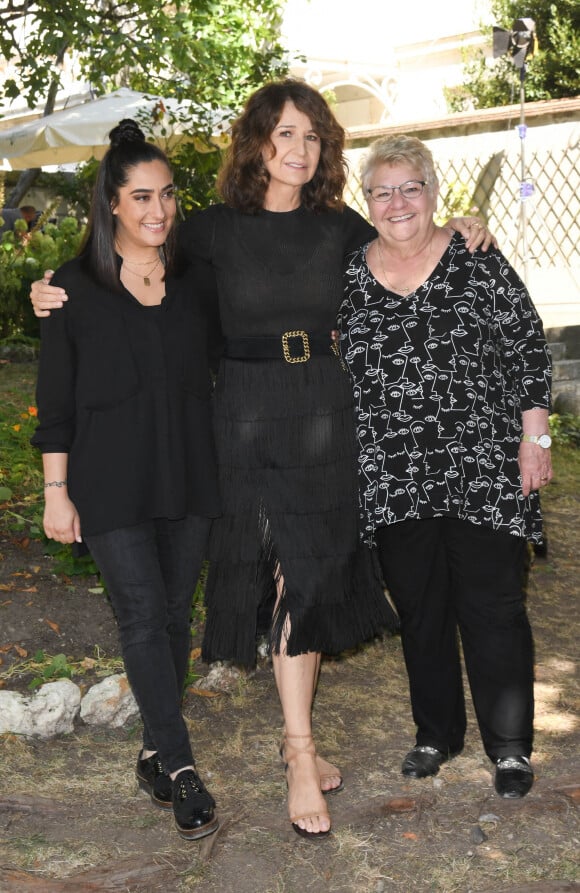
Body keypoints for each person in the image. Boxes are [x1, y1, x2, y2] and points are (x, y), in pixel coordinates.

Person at [29, 79, 493, 838]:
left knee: (309, 577)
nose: (299, 151)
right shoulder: (210, 229)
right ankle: (302, 753)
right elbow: (126, 258)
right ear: (257, 143)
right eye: (284, 135)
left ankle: (293, 738)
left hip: (323, 412)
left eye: (312, 137)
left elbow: (407, 249)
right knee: (281, 576)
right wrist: (50, 288)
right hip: (240, 417)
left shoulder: (341, 227)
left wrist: (466, 227)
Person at [339, 134, 552, 799]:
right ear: (366, 200)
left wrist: (534, 438)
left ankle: (510, 745)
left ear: (434, 193)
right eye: (383, 190)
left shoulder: (477, 256)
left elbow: (526, 343)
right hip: (395, 473)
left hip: (484, 464)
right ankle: (436, 733)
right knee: (422, 609)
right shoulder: (347, 273)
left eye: (411, 187)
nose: (397, 201)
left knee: (492, 605)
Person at [31, 120, 221, 841]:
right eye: (142, 196)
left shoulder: (197, 279)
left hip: (189, 473)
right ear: (111, 202)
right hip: (109, 483)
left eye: (167, 195)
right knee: (142, 616)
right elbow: (54, 405)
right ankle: (179, 767)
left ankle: (150, 750)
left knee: (175, 616)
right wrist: (56, 491)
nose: (158, 210)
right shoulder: (69, 291)